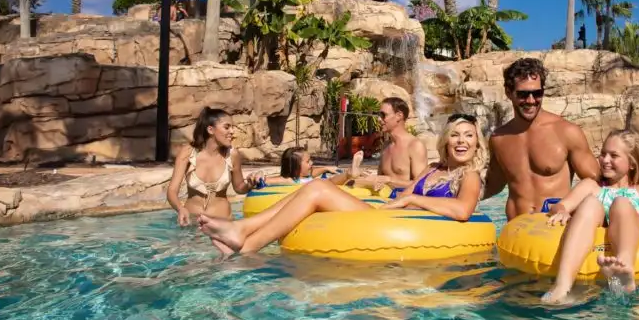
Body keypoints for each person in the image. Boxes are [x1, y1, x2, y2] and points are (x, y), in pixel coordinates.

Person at [198, 114, 487, 256]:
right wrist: (389, 190)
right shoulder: (433, 169)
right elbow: (404, 193)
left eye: (469, 136)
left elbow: (463, 210)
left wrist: (414, 201)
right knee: (311, 190)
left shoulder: (468, 175)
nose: (461, 141)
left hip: (397, 223)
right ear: (446, 141)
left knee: (316, 189)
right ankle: (244, 237)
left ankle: (246, 242)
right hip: (386, 214)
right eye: (456, 135)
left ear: (477, 144)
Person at [541, 129, 639, 304]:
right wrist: (562, 211)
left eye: (613, 155)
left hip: (628, 226)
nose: (605, 160)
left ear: (631, 163)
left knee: (621, 202)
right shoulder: (591, 186)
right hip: (595, 229)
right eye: (603, 154)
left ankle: (624, 267)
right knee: (591, 203)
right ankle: (563, 285)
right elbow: (560, 205)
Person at [483, 58, 600, 220]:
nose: (531, 100)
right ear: (509, 92)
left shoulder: (566, 132)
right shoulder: (499, 138)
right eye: (523, 94)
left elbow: (597, 181)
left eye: (537, 93)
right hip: (515, 232)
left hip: (552, 228)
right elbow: (493, 185)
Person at [166, 107, 264, 227]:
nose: (232, 131)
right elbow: (172, 191)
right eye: (227, 127)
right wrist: (180, 209)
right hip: (191, 225)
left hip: (223, 225)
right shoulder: (187, 153)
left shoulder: (232, 155)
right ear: (210, 130)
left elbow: (239, 187)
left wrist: (250, 182)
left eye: (232, 127)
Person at [347, 97, 428, 192]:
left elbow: (422, 185)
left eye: (383, 115)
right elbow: (379, 179)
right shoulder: (386, 146)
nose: (378, 119)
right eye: (378, 115)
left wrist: (388, 179)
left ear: (399, 116)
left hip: (403, 201)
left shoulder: (415, 146)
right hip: (383, 198)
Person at [259, 146, 364, 187]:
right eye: (308, 161)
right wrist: (259, 176)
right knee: (329, 182)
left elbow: (313, 173)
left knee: (331, 182)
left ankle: (352, 173)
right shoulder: (290, 180)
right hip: (321, 187)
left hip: (319, 186)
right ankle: (349, 173)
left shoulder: (306, 176)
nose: (312, 163)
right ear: (296, 167)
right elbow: (270, 180)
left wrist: (326, 168)